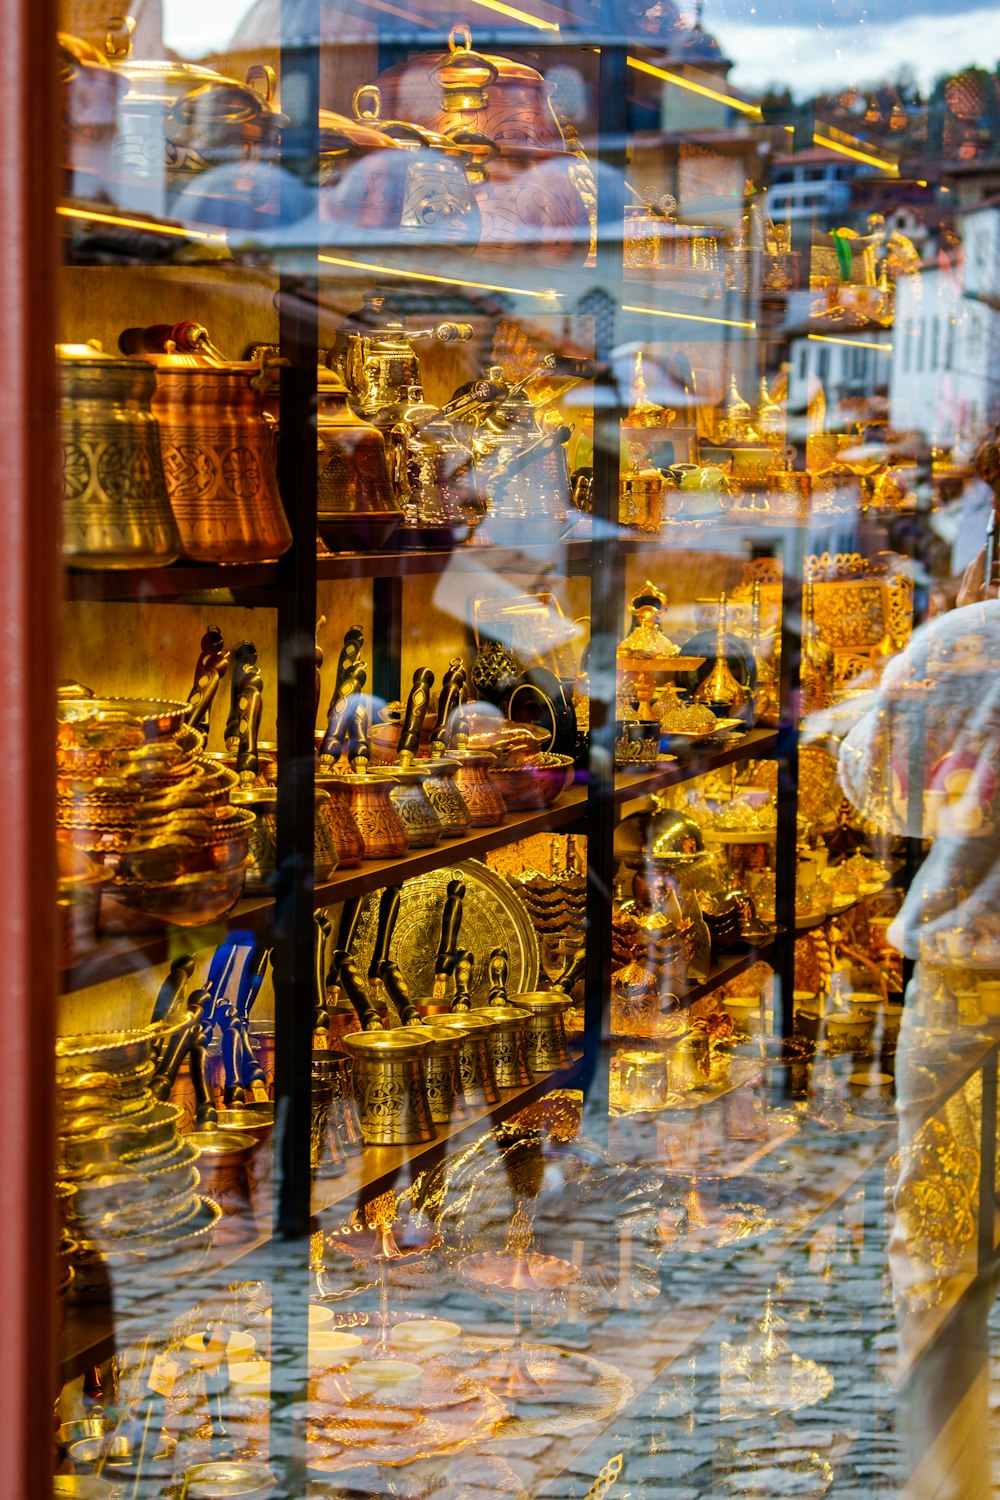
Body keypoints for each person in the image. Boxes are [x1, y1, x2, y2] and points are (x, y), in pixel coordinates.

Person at [839, 598, 1000, 1499]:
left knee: (944, 1275)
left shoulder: (965, 640)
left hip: (973, 998)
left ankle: (954, 1486)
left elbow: (878, 786)